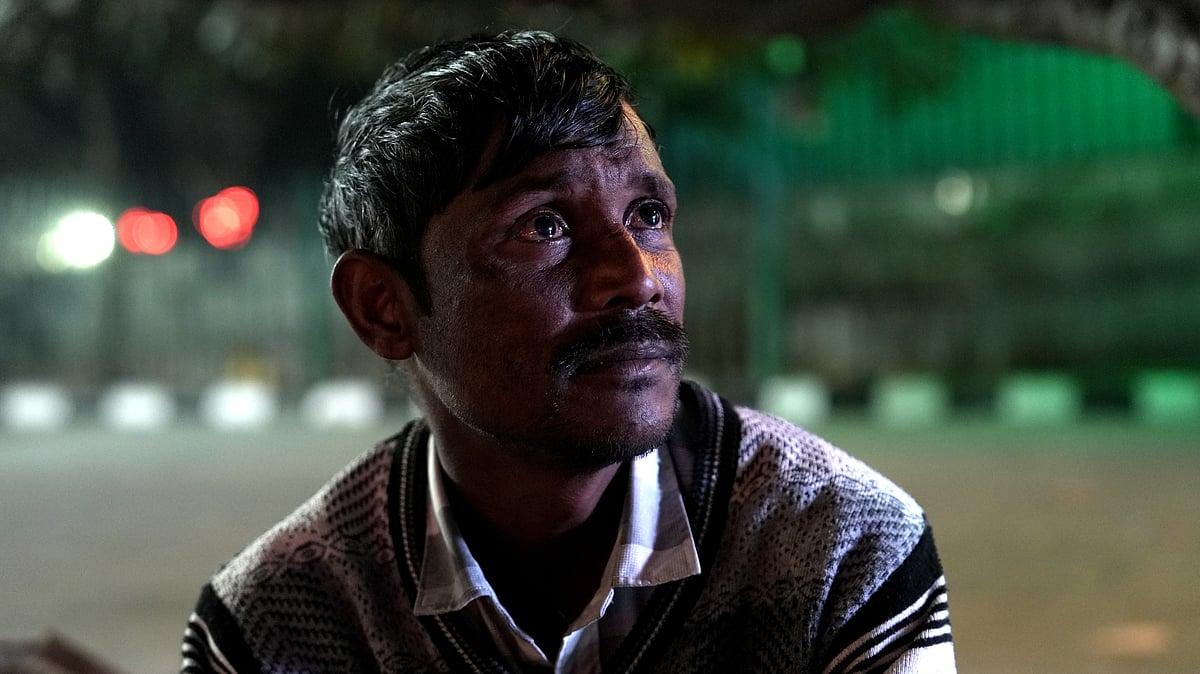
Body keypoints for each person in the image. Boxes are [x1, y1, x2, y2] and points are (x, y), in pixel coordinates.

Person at [181, 30, 955, 673]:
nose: (636, 278)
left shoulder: (843, 544)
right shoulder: (274, 624)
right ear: (383, 308)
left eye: (647, 215)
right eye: (542, 227)